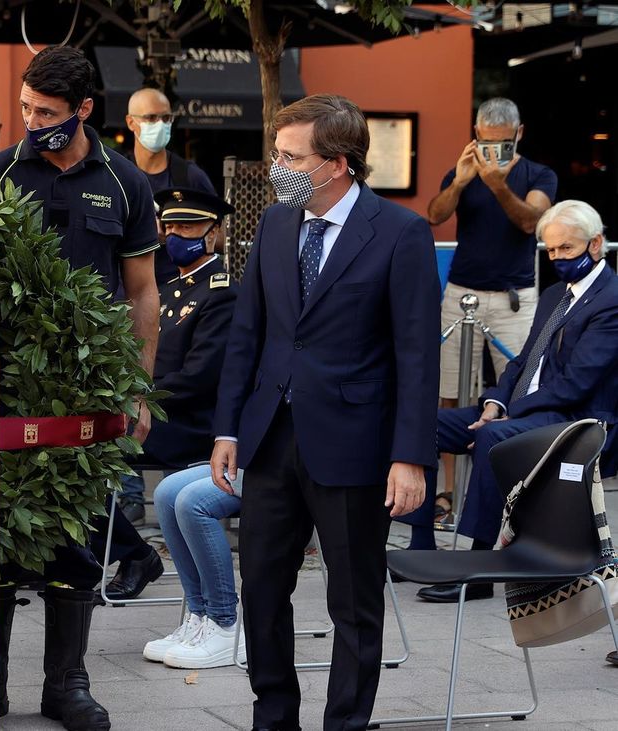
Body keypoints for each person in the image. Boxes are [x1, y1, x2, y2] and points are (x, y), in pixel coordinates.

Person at [211, 94, 439, 731]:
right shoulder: (278, 224)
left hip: (355, 444)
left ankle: (346, 723)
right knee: (260, 589)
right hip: (271, 437)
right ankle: (273, 717)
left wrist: (410, 457)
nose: (275, 166)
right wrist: (228, 427)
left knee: (354, 601)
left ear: (336, 163)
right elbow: (248, 333)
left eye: (289, 156)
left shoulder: (400, 233)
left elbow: (416, 354)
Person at [0, 45, 159, 731]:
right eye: (24, 108)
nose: (29, 122)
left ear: (83, 110)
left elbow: (141, 294)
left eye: (45, 112)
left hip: (89, 392)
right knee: (2, 539)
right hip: (5, 389)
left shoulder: (127, 183)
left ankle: (66, 683)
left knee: (74, 536)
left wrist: (137, 389)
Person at [400, 200, 618, 603]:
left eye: (566, 249)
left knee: (492, 439)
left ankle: (479, 570)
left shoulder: (611, 299)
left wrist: (506, 416)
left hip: (577, 420)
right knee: (423, 425)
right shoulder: (555, 294)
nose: (557, 259)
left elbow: (577, 384)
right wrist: (495, 403)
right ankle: (421, 543)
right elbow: (522, 360)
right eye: (551, 251)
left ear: (596, 244)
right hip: (525, 409)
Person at [98, 187, 237, 602]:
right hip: (154, 411)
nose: (175, 234)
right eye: (170, 225)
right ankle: (126, 552)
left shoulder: (223, 294)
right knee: (72, 447)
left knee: (86, 453)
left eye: (188, 226)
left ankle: (134, 555)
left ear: (214, 234)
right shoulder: (167, 287)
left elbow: (197, 379)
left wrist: (136, 398)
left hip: (189, 423)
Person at [427, 98, 556, 517]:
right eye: (486, 142)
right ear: (476, 134)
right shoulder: (463, 169)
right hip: (461, 291)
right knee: (447, 392)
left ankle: (510, 489)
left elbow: (531, 221)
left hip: (514, 298)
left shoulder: (538, 174)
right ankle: (447, 491)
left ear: (519, 134)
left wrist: (498, 183)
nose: (493, 152)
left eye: (501, 143)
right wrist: (462, 181)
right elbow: (435, 214)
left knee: (516, 394)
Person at [141, 465, 244, 670]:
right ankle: (200, 614)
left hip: (273, 461)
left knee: (192, 503)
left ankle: (225, 623)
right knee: (166, 493)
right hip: (241, 457)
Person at [124, 88, 215, 286]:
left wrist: (181, 231)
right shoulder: (118, 174)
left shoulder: (189, 176)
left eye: (166, 118)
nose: (160, 124)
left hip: (180, 289)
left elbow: (222, 235)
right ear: (131, 122)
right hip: (126, 289)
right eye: (150, 117)